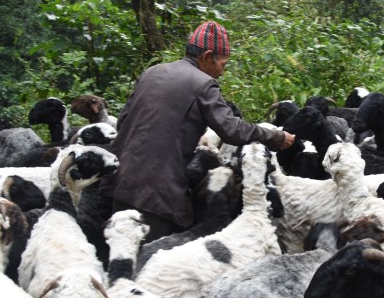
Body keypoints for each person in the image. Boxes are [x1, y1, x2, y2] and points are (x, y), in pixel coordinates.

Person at [103, 20, 295, 242]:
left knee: (120, 257)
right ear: (207, 56)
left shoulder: (152, 72)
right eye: (223, 65)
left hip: (121, 183)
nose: (222, 72)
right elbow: (232, 130)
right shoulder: (203, 84)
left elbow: (123, 121)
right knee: (152, 264)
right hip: (157, 196)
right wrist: (276, 137)